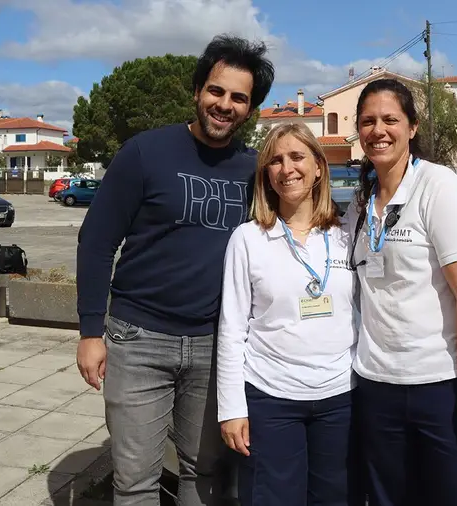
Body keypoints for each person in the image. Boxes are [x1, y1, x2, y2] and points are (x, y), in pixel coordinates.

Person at [75, 34, 275, 506]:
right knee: (136, 479)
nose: (224, 105)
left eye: (238, 98)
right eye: (216, 91)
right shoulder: (146, 153)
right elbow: (97, 241)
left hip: (215, 345)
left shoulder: (256, 172)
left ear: (250, 109)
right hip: (137, 339)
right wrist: (88, 331)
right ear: (198, 91)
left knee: (205, 473)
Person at [344, 78, 457, 506]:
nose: (378, 130)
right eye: (368, 121)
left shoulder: (439, 187)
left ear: (412, 127)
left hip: (443, 384)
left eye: (390, 119)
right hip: (378, 385)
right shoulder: (361, 201)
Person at [216, 122, 360, 506]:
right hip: (271, 399)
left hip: (340, 398)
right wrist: (231, 409)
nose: (286, 168)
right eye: (275, 161)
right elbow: (231, 331)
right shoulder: (248, 239)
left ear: (318, 167)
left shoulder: (347, 234)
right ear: (266, 174)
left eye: (297, 157)